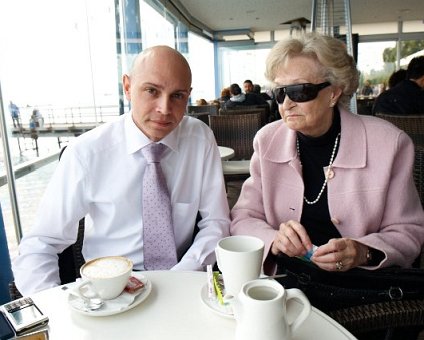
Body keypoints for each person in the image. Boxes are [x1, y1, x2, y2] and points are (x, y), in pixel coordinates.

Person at [13, 45, 230, 295]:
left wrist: (178, 280)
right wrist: (54, 312)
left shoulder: (200, 138)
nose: (164, 109)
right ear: (127, 87)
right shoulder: (86, 152)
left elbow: (216, 222)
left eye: (177, 96)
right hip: (109, 287)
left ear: (188, 95)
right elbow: (41, 243)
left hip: (182, 276)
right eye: (151, 91)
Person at [230, 32, 424, 298]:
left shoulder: (389, 143)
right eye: (280, 93)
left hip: (362, 290)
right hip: (286, 284)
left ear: (334, 92)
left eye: (299, 91)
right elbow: (243, 218)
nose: (286, 104)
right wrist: (274, 238)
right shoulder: (267, 140)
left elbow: (410, 231)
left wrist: (363, 251)